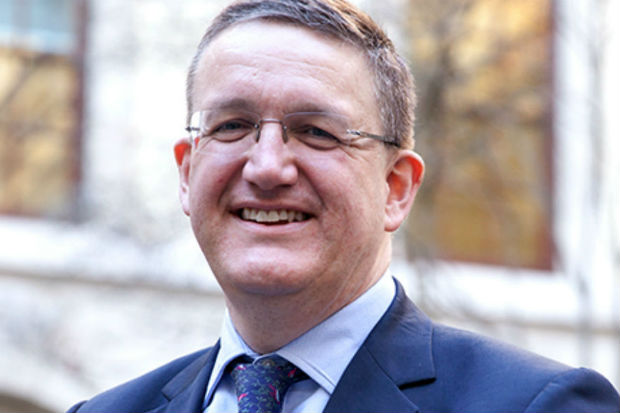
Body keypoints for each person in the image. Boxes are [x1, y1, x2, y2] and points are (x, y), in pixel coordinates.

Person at [69, 0, 619, 412]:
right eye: (232, 126)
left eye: (315, 132)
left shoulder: (538, 405)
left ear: (396, 187)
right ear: (187, 174)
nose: (266, 167)